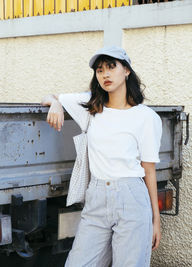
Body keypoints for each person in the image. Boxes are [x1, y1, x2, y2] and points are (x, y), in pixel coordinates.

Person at [42, 46, 162, 266]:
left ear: (126, 71)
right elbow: (48, 96)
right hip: (96, 196)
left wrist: (156, 220)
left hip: (131, 198)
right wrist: (57, 104)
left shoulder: (146, 117)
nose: (105, 74)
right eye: (99, 70)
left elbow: (149, 170)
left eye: (111, 67)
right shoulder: (91, 107)